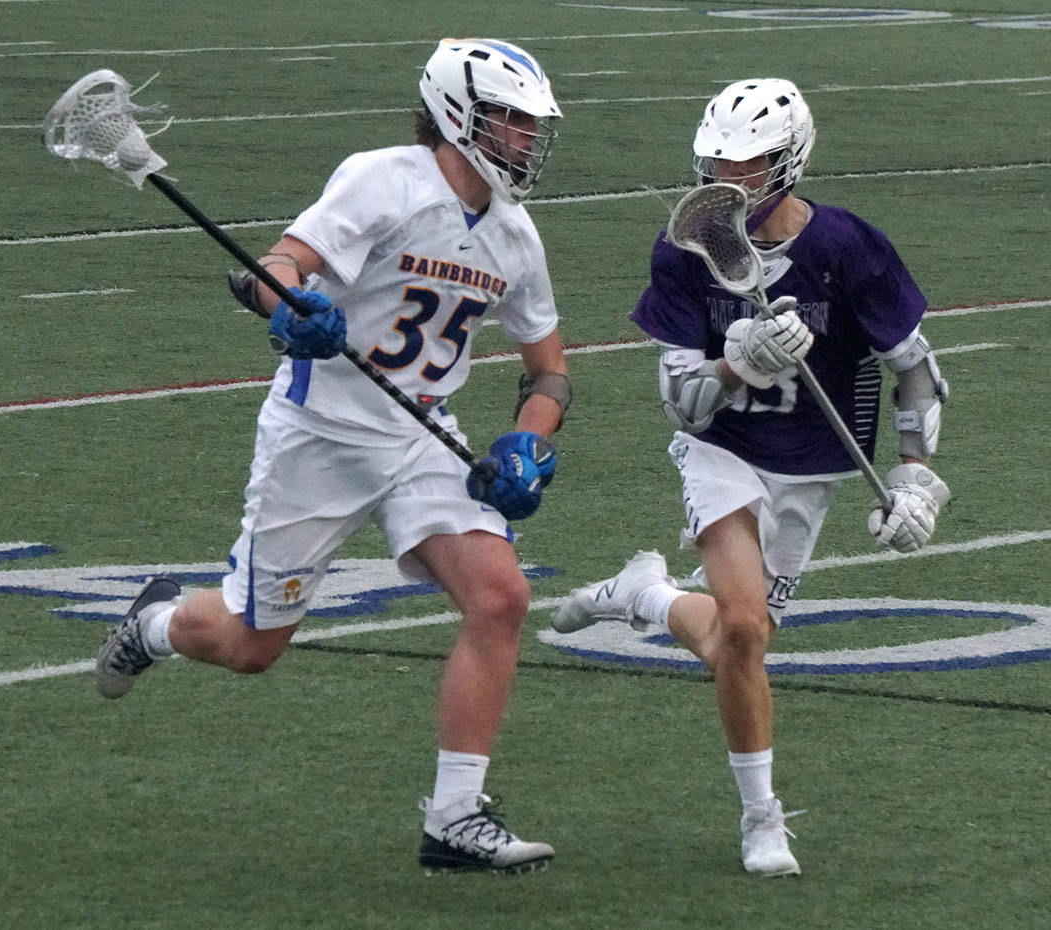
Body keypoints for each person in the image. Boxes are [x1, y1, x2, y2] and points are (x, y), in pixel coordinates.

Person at [95, 38, 572, 875]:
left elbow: (550, 371)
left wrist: (529, 442)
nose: (526, 141)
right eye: (512, 121)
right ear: (460, 115)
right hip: (321, 433)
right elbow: (276, 266)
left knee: (500, 597)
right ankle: (156, 623)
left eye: (533, 126)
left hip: (423, 430)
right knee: (250, 646)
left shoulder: (515, 236)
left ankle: (455, 816)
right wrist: (287, 311)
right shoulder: (383, 179)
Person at [554, 78, 950, 876]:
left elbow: (916, 374)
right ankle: (761, 816)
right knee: (741, 628)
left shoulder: (846, 247)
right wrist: (737, 364)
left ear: (790, 160)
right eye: (720, 164)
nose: (730, 181)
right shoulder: (685, 251)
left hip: (814, 466)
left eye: (751, 164)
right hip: (724, 451)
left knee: (744, 641)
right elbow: (682, 406)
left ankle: (647, 595)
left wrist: (914, 479)